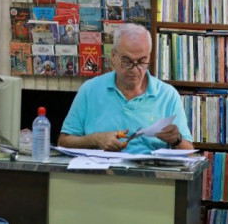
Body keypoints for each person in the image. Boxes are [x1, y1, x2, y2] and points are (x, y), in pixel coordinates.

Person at [58, 23, 193, 153]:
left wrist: (177, 139)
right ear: (113, 56)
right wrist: (95, 139)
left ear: (149, 57)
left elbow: (189, 152)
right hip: (101, 174)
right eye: (127, 61)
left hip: (151, 174)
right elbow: (63, 142)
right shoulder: (89, 90)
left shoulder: (167, 95)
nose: (134, 70)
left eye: (141, 61)